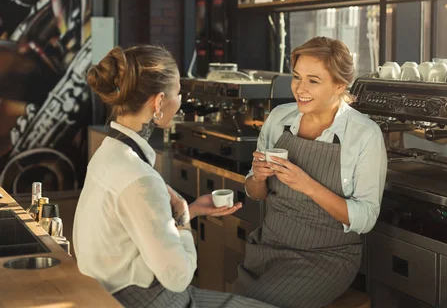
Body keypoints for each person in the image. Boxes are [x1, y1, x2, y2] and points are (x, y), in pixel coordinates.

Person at [73, 45, 274, 308]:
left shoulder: (108, 152)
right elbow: (178, 278)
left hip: (105, 293)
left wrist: (190, 210)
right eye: (178, 92)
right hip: (145, 301)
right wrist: (181, 219)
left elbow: (129, 229)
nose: (180, 101)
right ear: (158, 102)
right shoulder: (140, 178)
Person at [233, 37, 388, 308]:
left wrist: (308, 185)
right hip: (268, 248)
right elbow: (257, 194)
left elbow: (366, 218)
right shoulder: (279, 119)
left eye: (313, 81)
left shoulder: (364, 134)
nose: (299, 89)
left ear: (339, 85)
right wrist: (257, 177)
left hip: (325, 259)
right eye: (296, 77)